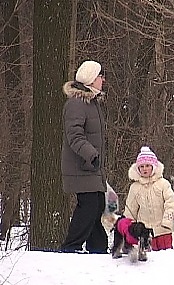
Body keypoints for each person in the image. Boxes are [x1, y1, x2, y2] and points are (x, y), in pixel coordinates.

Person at [60, 60, 108, 253]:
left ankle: (98, 248)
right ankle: (71, 246)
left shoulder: (91, 102)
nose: (103, 80)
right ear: (90, 78)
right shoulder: (77, 104)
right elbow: (75, 135)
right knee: (88, 206)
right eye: (100, 76)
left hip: (91, 166)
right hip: (82, 164)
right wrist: (91, 155)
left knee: (98, 205)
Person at [123, 146, 174, 251]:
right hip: (144, 232)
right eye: (142, 166)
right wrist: (131, 228)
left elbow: (171, 203)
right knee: (147, 262)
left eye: (147, 166)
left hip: (163, 231)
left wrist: (167, 222)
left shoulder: (163, 184)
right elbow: (130, 210)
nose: (144, 169)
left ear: (153, 167)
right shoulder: (135, 188)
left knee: (165, 258)